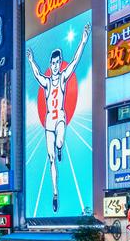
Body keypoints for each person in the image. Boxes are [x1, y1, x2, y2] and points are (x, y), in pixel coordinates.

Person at [26, 23, 90, 212]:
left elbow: (76, 62)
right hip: (48, 124)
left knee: (60, 143)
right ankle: (55, 194)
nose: (55, 66)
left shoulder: (62, 78)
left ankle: (60, 148)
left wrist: (83, 41)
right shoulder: (46, 82)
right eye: (52, 64)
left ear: (59, 62)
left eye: (57, 63)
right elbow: (37, 74)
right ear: (50, 64)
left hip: (60, 118)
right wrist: (31, 60)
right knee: (51, 159)